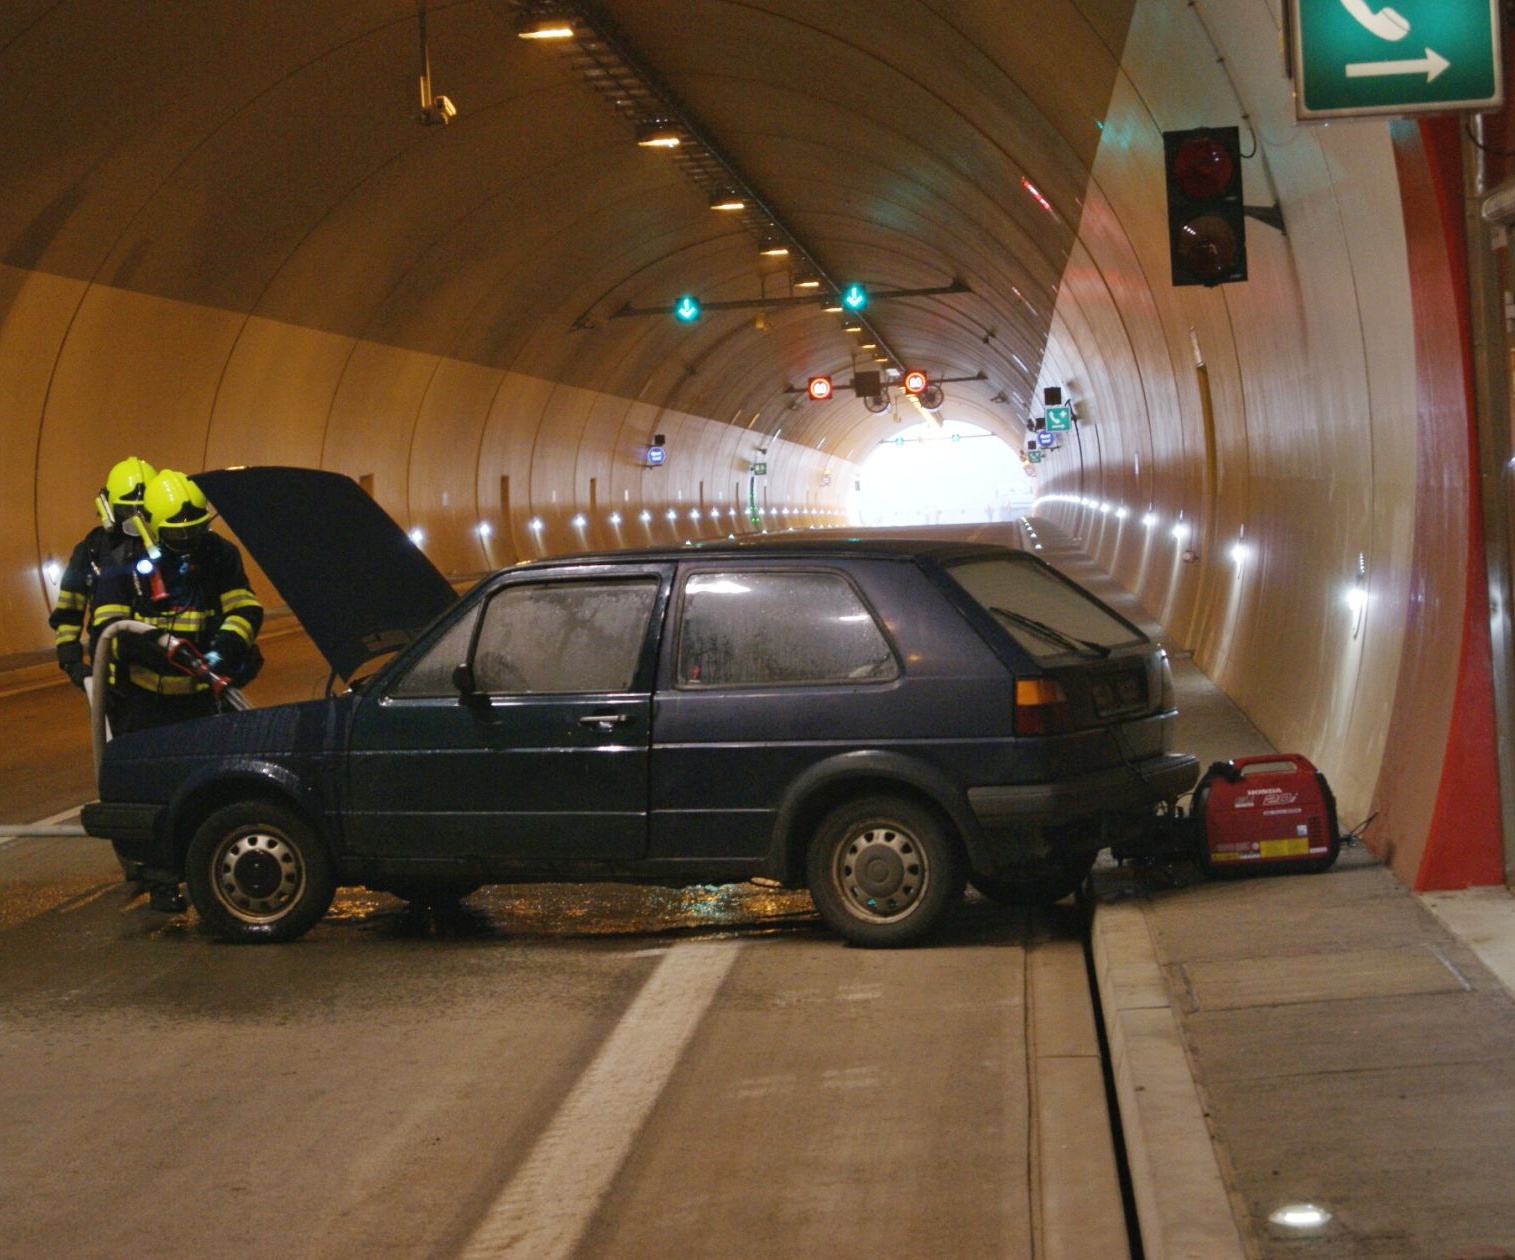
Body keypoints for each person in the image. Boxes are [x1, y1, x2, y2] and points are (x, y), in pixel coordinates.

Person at [90, 469, 265, 911]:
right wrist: (156, 649)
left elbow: (244, 607)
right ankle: (159, 878)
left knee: (210, 793)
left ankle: (204, 870)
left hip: (202, 698)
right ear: (150, 525)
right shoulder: (124, 564)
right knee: (151, 795)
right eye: (177, 535)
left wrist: (225, 650)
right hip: (146, 705)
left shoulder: (219, 554)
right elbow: (109, 630)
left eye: (196, 532)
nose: (188, 544)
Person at [49, 457, 157, 692]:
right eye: (127, 511)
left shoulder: (166, 549)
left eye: (142, 511)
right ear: (107, 507)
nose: (135, 520)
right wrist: (71, 660)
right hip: (112, 684)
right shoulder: (91, 551)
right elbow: (68, 611)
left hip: (160, 674)